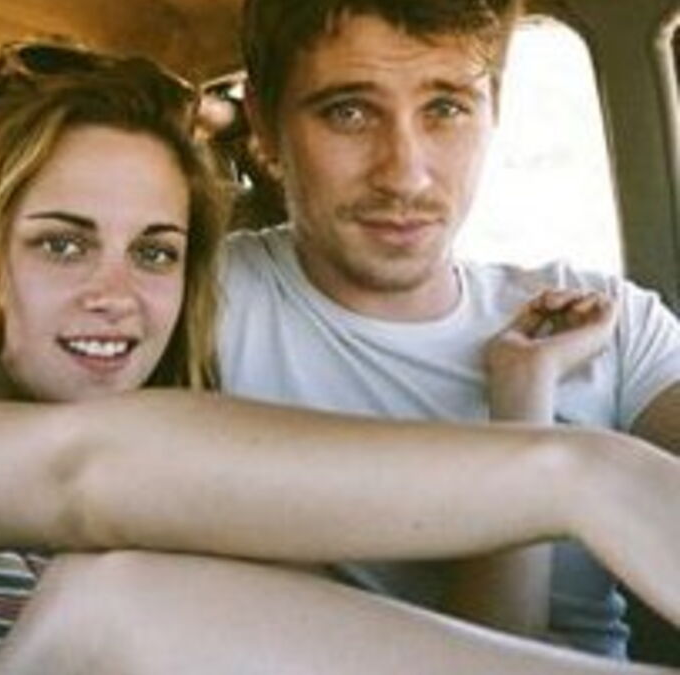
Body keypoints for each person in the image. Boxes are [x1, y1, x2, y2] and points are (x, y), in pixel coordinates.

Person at [0, 44, 680, 674]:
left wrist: (526, 405)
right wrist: (579, 474)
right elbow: (78, 470)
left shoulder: (181, 474)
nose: (117, 293)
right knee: (116, 609)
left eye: (154, 250)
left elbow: (467, 653)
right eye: (60, 243)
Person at [218, 0, 680, 657]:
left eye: (445, 108)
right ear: (264, 124)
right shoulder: (192, 301)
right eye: (348, 111)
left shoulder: (609, 321)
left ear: (494, 110)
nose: (404, 174)